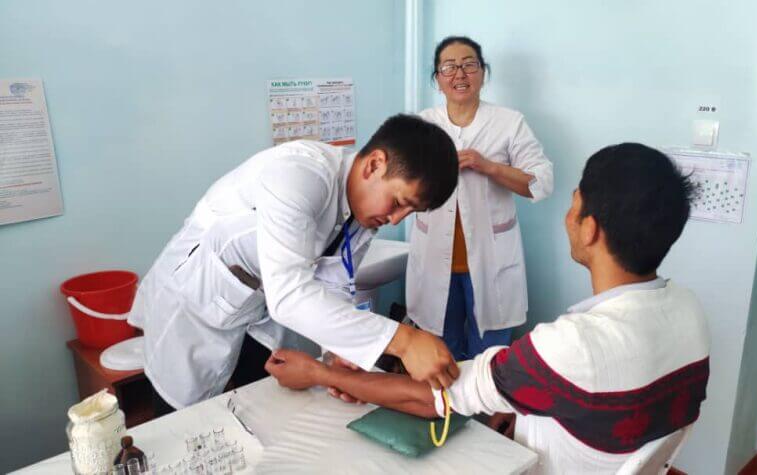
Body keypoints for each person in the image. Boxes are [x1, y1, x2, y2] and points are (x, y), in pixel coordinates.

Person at [266, 143, 711, 474]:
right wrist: (518, 405)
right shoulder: (688, 310)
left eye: (574, 204)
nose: (566, 216)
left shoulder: (570, 346)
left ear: (590, 229)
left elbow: (435, 399)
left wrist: (319, 374)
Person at [128, 115, 461, 415]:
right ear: (374, 165)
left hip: (254, 306)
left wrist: (337, 352)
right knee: (180, 422)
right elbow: (289, 295)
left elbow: (334, 283)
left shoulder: (362, 216)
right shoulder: (299, 175)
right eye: (399, 202)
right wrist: (405, 341)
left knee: (258, 406)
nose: (396, 219)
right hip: (192, 305)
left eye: (410, 212)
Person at [408, 36, 554, 360]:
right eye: (449, 67)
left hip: (491, 263)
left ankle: (485, 396)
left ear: (483, 73)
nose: (460, 74)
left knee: (489, 358)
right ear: (437, 78)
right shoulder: (422, 125)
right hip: (434, 260)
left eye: (469, 65)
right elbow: (400, 183)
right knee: (442, 356)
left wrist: (488, 166)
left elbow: (541, 182)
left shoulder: (509, 122)